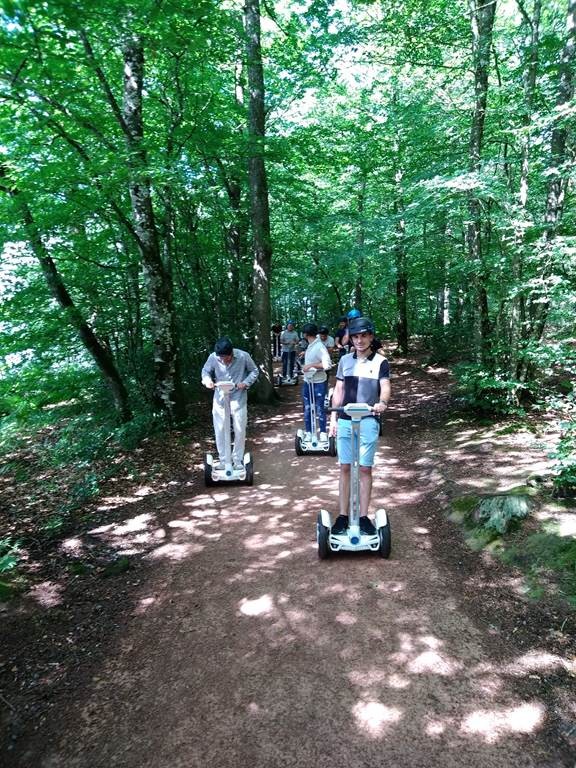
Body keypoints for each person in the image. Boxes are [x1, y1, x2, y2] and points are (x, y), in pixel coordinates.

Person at [328, 316, 390, 535]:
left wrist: (382, 403)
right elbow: (339, 390)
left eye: (364, 336)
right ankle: (342, 516)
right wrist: (333, 419)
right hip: (345, 419)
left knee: (364, 468)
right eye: (355, 337)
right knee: (345, 467)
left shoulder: (380, 362)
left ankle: (363, 517)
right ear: (351, 339)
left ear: (371, 337)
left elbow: (385, 386)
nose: (360, 340)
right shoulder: (345, 361)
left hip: (368, 419)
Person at [201, 337, 259, 470]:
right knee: (220, 429)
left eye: (225, 358)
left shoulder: (243, 356)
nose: (222, 360)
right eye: (220, 358)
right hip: (220, 399)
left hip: (238, 398)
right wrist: (207, 381)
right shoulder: (213, 357)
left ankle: (237, 461)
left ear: (231, 353)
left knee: (239, 429)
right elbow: (205, 371)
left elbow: (254, 371)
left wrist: (245, 383)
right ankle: (224, 460)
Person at [300, 323, 332, 441]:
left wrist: (310, 366)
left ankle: (323, 433)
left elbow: (327, 365)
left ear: (305, 334)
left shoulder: (320, 346)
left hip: (318, 382)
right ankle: (308, 432)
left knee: (319, 408)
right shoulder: (311, 345)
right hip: (308, 381)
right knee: (307, 408)